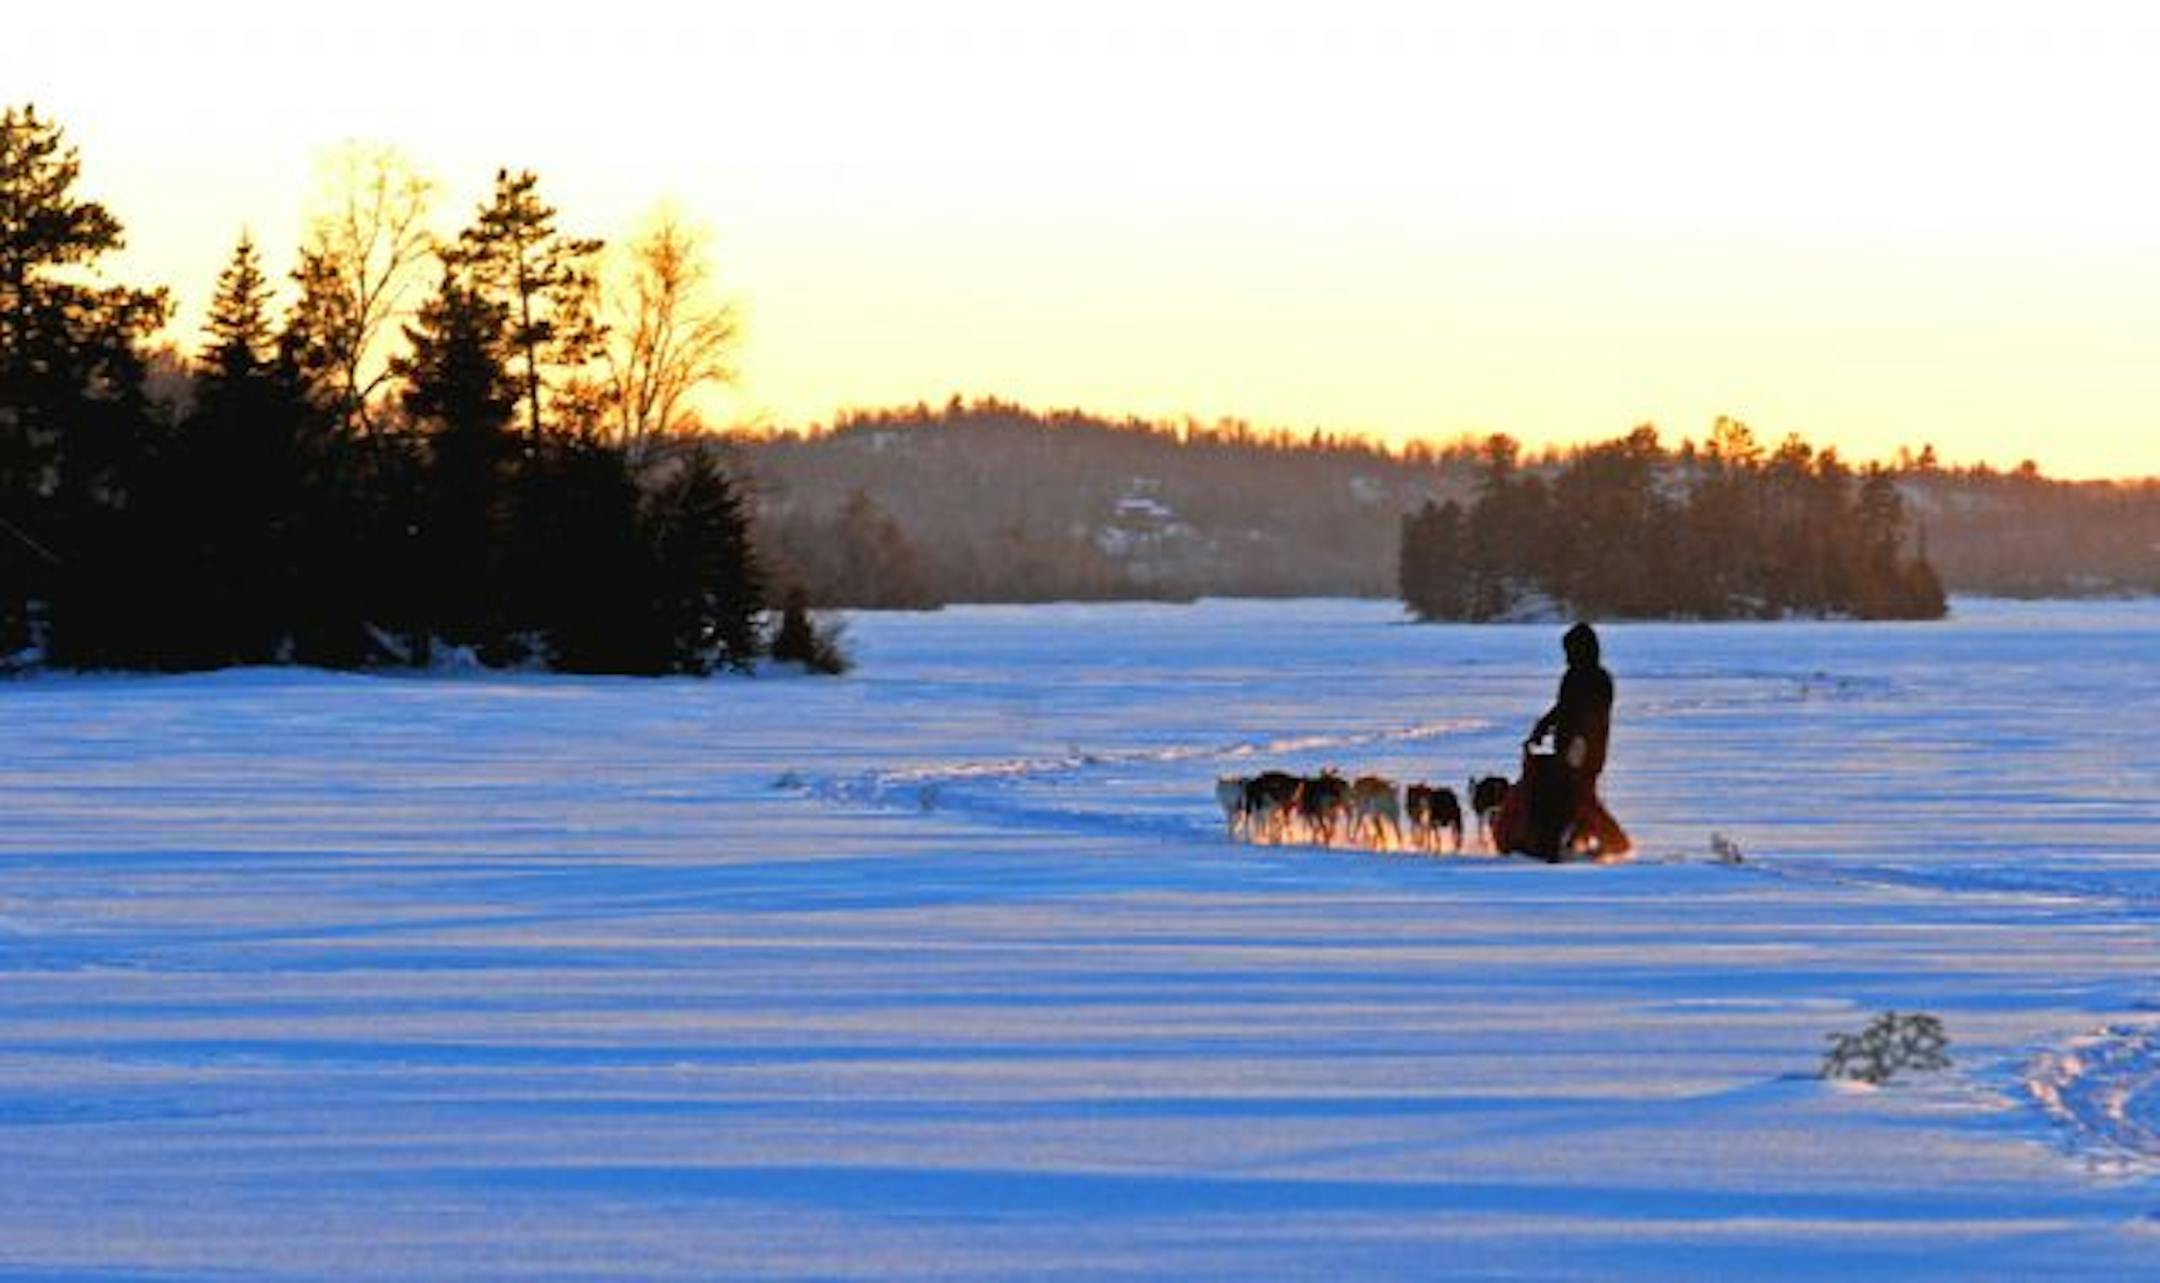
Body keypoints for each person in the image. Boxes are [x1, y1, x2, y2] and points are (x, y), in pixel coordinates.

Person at [1522, 622, 1630, 858]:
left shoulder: (1587, 678)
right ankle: (1578, 841)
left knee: (1579, 797)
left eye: (1569, 650)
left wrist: (1576, 746)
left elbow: (1582, 713)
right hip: (1581, 747)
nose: (1566, 656)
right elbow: (1564, 708)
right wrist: (1544, 727)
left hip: (1581, 749)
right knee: (1577, 797)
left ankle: (1614, 842)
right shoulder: (1589, 676)